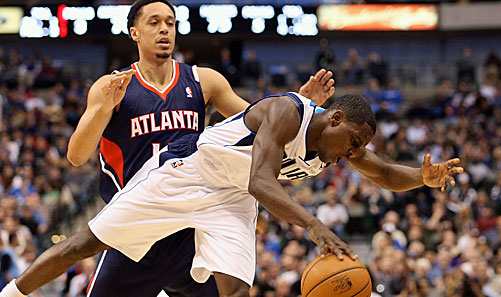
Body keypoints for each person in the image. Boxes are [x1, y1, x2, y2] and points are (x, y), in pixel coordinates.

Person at [0, 93, 464, 297]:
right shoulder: (287, 112)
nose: (355, 155)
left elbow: (383, 173)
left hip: (232, 200)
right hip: (189, 172)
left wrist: (423, 179)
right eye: (354, 144)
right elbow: (262, 181)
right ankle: (13, 293)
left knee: (235, 287)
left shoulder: (337, 146)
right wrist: (313, 223)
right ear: (336, 119)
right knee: (88, 242)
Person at [64, 1, 336, 297]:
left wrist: (298, 106)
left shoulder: (203, 80)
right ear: (135, 32)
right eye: (154, 22)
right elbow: (77, 156)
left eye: (170, 22)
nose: (164, 28)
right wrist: (105, 109)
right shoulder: (112, 86)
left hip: (190, 224)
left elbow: (261, 130)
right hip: (137, 221)